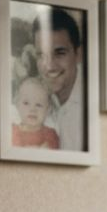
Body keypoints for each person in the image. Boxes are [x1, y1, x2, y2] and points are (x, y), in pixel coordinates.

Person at [32, 8, 84, 151]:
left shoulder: (94, 104)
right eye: (41, 55)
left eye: (59, 53)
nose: (49, 66)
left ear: (78, 54)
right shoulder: (31, 98)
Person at [11, 77, 60, 149]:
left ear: (48, 110)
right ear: (17, 105)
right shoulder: (11, 131)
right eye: (26, 103)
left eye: (38, 105)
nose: (32, 109)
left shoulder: (50, 135)